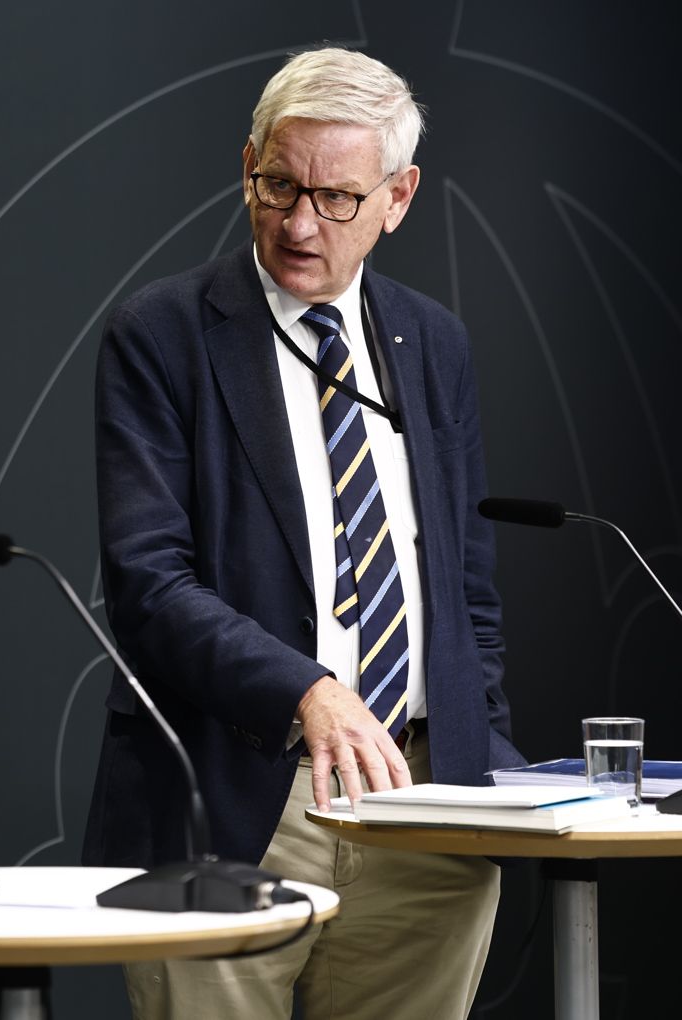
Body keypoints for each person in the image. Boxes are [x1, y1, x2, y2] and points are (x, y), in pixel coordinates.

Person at [83, 48, 523, 1020]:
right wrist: (309, 694)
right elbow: (150, 586)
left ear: (396, 198)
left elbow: (466, 587)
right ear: (248, 165)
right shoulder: (160, 335)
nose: (297, 223)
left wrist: (475, 749)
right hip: (240, 804)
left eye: (335, 197)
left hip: (425, 810)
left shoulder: (434, 343)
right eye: (279, 184)